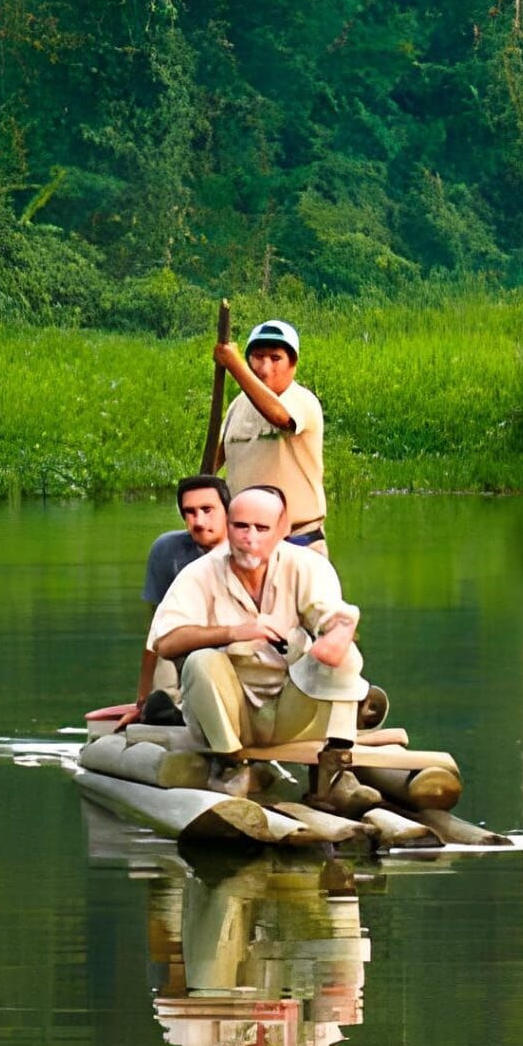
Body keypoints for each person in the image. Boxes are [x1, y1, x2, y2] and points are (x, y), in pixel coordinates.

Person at [148, 485, 367, 800]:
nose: (249, 539)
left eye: (261, 528)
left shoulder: (307, 566)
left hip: (290, 709)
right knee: (200, 661)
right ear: (229, 526)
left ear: (281, 530)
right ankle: (230, 766)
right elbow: (165, 642)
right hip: (228, 717)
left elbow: (335, 618)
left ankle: (335, 769)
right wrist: (235, 632)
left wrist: (337, 636)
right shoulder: (200, 573)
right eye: (241, 527)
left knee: (345, 655)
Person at [213, 319, 327, 555]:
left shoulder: (302, 400)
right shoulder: (237, 406)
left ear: (293, 363)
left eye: (276, 359)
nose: (265, 369)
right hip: (246, 546)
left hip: (299, 543)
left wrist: (234, 365)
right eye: (258, 357)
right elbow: (214, 462)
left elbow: (278, 417)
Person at [136, 476, 229, 713]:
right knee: (166, 651)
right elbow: (156, 629)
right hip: (181, 644)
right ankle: (163, 707)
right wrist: (142, 698)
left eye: (207, 510)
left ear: (228, 511)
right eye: (190, 512)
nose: (198, 521)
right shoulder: (168, 550)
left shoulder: (248, 547)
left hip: (233, 646)